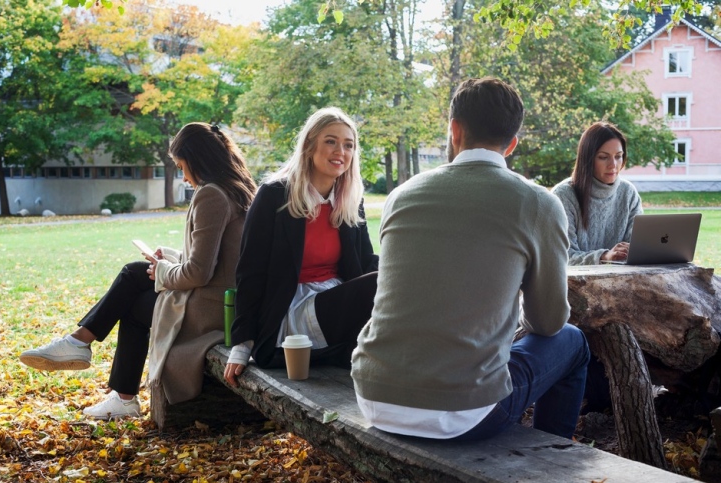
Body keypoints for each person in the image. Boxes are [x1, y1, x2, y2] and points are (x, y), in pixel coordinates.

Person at [350, 77, 590, 441]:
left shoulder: (402, 195)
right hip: (460, 414)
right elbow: (549, 323)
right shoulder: (539, 203)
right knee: (572, 342)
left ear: (454, 130)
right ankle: (552, 456)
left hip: (374, 394)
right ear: (511, 144)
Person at [20, 122, 257, 419]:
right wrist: (168, 259)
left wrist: (162, 270)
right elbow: (219, 258)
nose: (183, 176)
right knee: (135, 275)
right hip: (225, 303)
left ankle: (89, 356)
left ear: (198, 161)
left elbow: (199, 273)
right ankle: (86, 354)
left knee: (133, 290)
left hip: (210, 311)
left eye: (182, 166)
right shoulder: (239, 189)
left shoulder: (212, 195)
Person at [223, 106, 378, 387]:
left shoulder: (350, 200)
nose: (340, 151)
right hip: (291, 312)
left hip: (336, 303)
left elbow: (366, 262)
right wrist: (242, 345)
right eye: (330, 141)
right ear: (309, 145)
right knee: (382, 283)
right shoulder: (274, 195)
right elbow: (250, 271)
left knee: (394, 280)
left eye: (348, 145)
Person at [551, 121, 643, 265]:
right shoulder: (563, 195)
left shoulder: (628, 193)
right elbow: (564, 255)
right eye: (603, 157)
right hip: (575, 284)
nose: (613, 165)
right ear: (587, 158)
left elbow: (638, 247)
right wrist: (604, 256)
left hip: (622, 279)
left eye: (618, 156)